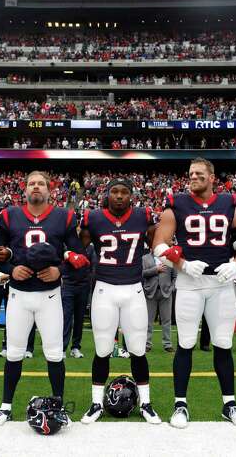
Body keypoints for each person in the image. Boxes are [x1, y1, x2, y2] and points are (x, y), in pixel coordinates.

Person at [152, 157, 236, 428]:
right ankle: (180, 404)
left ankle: (229, 404)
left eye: (198, 173)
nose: (193, 177)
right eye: (190, 174)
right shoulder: (176, 205)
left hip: (220, 284)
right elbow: (158, 246)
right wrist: (182, 263)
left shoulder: (230, 204)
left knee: (223, 344)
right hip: (189, 283)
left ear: (212, 177)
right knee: (185, 344)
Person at [0, 170, 89, 427]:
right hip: (19, 295)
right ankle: (5, 406)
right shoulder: (10, 215)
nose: (36, 187)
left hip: (50, 296)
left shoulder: (63, 216)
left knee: (55, 354)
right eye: (31, 183)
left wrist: (60, 270)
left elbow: (80, 255)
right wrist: (11, 269)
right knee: (14, 353)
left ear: (49, 189)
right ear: (25, 189)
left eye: (41, 183)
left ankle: (58, 405)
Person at [79, 178, 161, 424]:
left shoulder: (143, 216)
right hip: (104, 289)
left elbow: (156, 244)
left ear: (131, 196)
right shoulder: (93, 218)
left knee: (137, 349)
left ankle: (146, 403)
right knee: (103, 349)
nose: (119, 196)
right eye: (114, 191)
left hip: (133, 289)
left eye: (124, 192)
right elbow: (77, 245)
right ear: (106, 194)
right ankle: (95, 403)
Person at [142, 246, 175, 353]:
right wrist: (156, 270)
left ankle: (167, 344)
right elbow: (142, 273)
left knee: (166, 320)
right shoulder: (144, 258)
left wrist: (171, 288)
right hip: (150, 292)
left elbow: (175, 276)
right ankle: (147, 344)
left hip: (166, 293)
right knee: (148, 321)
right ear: (150, 247)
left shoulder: (169, 258)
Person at [60, 243, 91, 359]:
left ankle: (75, 347)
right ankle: (62, 348)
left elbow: (93, 266)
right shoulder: (65, 246)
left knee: (79, 318)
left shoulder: (89, 247)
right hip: (68, 286)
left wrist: (88, 281)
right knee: (66, 317)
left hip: (83, 287)